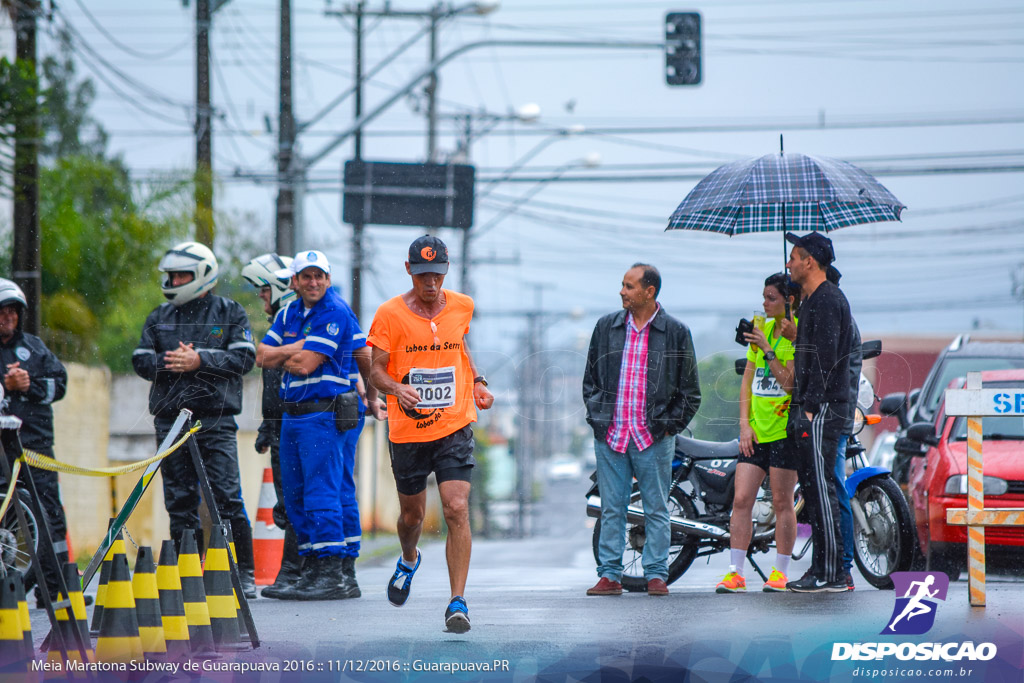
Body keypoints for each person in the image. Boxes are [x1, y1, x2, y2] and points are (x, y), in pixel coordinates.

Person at [367, 235, 493, 634]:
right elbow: (375, 371)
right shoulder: (389, 314)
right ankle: (408, 558)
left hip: (454, 423)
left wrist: (477, 381)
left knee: (456, 507)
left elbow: (460, 347)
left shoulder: (462, 306)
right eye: (423, 275)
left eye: (437, 275)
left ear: (446, 271)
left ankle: (457, 601)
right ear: (409, 271)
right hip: (408, 430)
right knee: (412, 515)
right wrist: (396, 388)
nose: (431, 284)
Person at [132, 241, 258, 598]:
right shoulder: (159, 316)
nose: (173, 280)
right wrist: (172, 362)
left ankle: (243, 573)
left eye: (180, 275)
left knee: (226, 497)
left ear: (203, 274)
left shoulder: (230, 312)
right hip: (169, 422)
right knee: (180, 500)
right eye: (170, 275)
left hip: (214, 422)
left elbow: (245, 358)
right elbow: (140, 359)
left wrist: (201, 360)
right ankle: (189, 574)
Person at [256, 250, 382, 601]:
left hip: (323, 413)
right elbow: (261, 356)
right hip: (294, 414)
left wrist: (287, 351)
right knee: (297, 494)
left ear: (328, 278)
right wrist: (291, 350)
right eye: (306, 276)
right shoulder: (289, 312)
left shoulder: (334, 311)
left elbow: (305, 365)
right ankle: (316, 569)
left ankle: (334, 570)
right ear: (294, 282)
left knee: (323, 492)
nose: (314, 282)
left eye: (320, 276)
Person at [582, 263, 701, 597]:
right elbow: (590, 381)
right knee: (612, 508)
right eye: (622, 284)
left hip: (653, 438)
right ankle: (609, 576)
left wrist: (667, 427)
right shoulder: (606, 327)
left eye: (630, 286)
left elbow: (691, 393)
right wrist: (598, 420)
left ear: (649, 292)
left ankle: (656, 575)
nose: (622, 291)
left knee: (657, 508)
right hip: (612, 435)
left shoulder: (675, 332)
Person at [717, 273, 800, 594]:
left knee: (782, 501)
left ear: (788, 301)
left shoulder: (793, 335)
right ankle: (735, 572)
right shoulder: (759, 328)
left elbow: (789, 383)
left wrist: (768, 348)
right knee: (741, 499)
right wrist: (744, 424)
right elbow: (747, 381)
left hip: (784, 431)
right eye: (763, 297)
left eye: (771, 298)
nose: (765, 304)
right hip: (756, 431)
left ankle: (780, 572)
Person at [783, 232, 854, 593]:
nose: (789, 263)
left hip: (823, 408)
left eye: (794, 257)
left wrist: (810, 407)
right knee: (812, 489)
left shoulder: (828, 300)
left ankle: (833, 572)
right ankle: (821, 569)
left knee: (823, 489)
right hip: (809, 407)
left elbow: (826, 361)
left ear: (810, 261)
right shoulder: (809, 301)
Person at [0, 279, 70, 606]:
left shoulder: (35, 348)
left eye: (12, 311)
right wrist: (5, 383)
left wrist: (30, 385)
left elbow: (60, 385)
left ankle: (54, 587)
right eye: (1, 312)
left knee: (49, 513)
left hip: (36, 448)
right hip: (2, 452)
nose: (7, 317)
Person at [241, 253, 301, 599]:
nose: (261, 297)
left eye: (265, 291)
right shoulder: (283, 322)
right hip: (280, 427)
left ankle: (293, 573)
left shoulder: (291, 324)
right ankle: (294, 572)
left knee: (293, 503)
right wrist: (267, 427)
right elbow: (273, 386)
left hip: (293, 428)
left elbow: (283, 383)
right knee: (288, 503)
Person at [826, 264, 862, 591]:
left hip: (832, 420)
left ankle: (843, 566)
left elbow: (843, 377)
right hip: (820, 418)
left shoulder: (838, 319)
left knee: (834, 489)